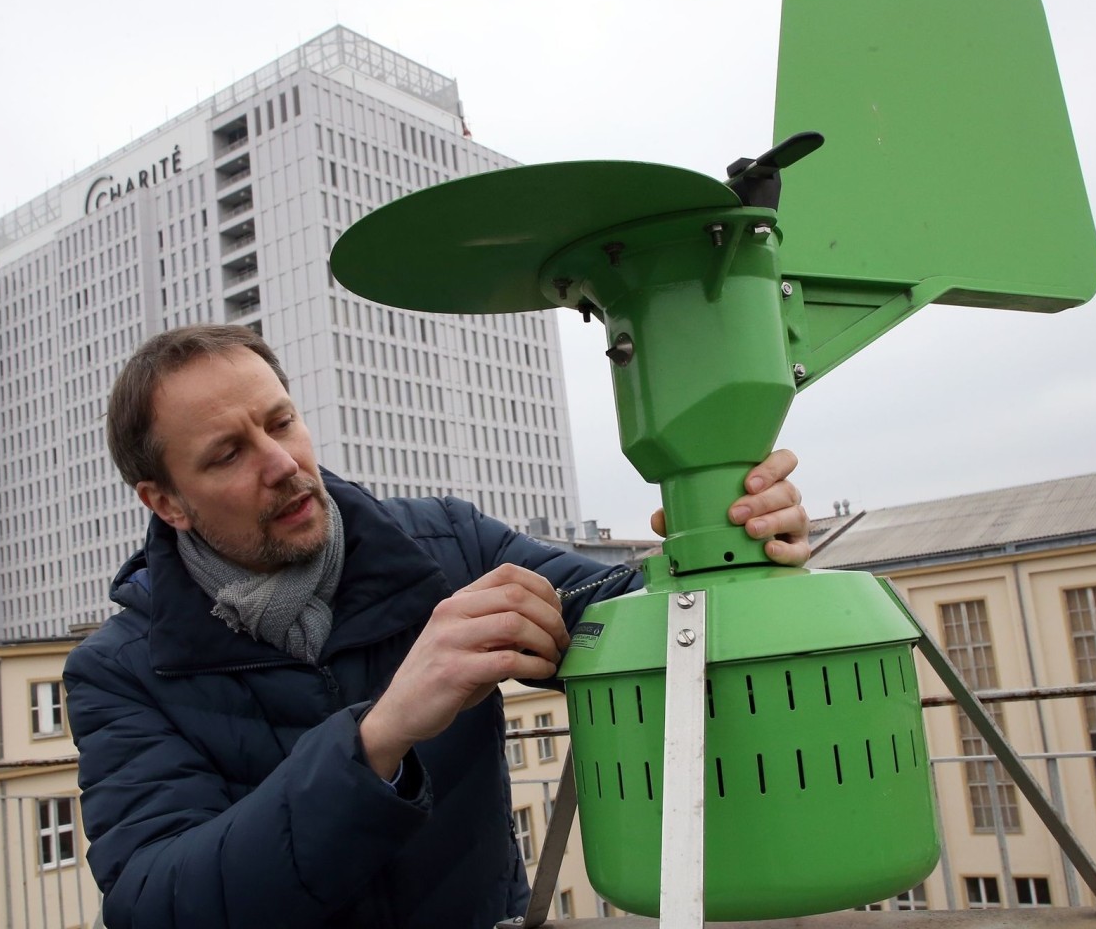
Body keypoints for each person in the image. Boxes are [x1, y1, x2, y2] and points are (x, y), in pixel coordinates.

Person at [64, 324, 810, 929]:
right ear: (166, 503)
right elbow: (155, 901)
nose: (283, 464)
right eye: (228, 454)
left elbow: (648, 622)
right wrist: (377, 737)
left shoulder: (450, 546)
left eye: (282, 422)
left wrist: (733, 544)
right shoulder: (122, 669)